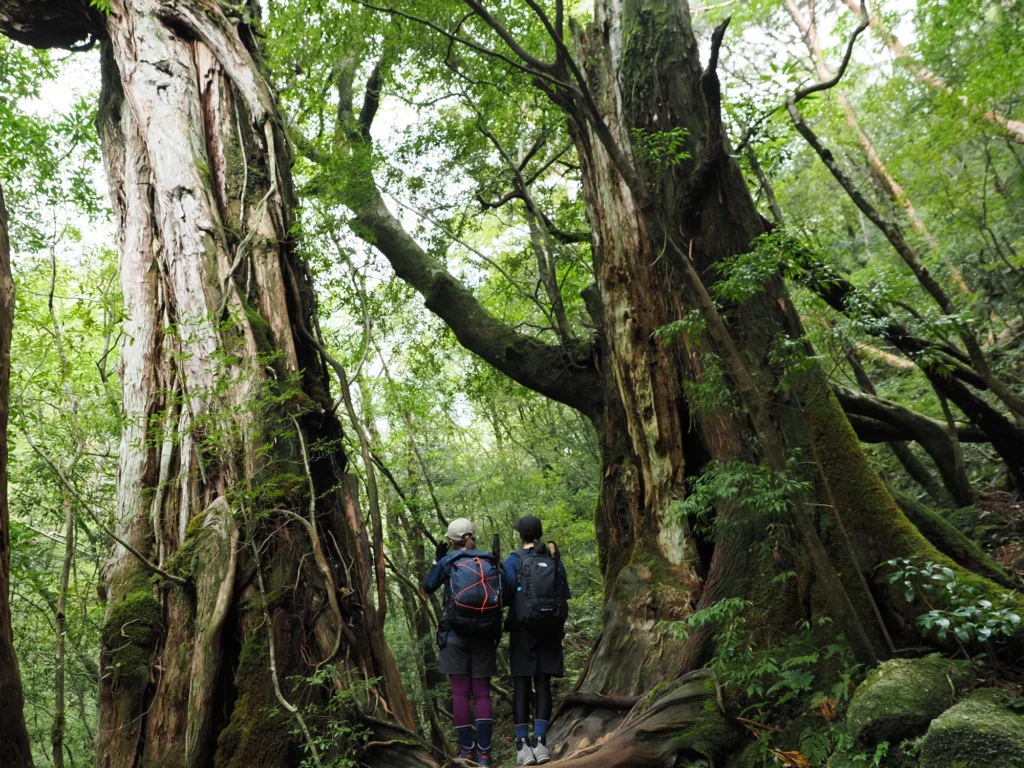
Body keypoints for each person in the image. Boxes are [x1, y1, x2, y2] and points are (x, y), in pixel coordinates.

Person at [422, 518, 499, 766]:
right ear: (473, 536)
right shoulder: (490, 560)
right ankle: (484, 755)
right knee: (482, 694)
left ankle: (467, 753)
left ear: (450, 541)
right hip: (485, 634)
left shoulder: (448, 561)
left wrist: (437, 560)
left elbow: (428, 587)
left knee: (460, 694)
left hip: (454, 635)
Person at [503, 515, 570, 766]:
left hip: (522, 629)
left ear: (520, 535)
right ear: (539, 533)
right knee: (543, 684)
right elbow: (563, 593)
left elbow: (506, 595)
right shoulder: (553, 558)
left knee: (521, 685)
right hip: (550, 629)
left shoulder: (514, 560)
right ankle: (540, 742)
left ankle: (522, 746)